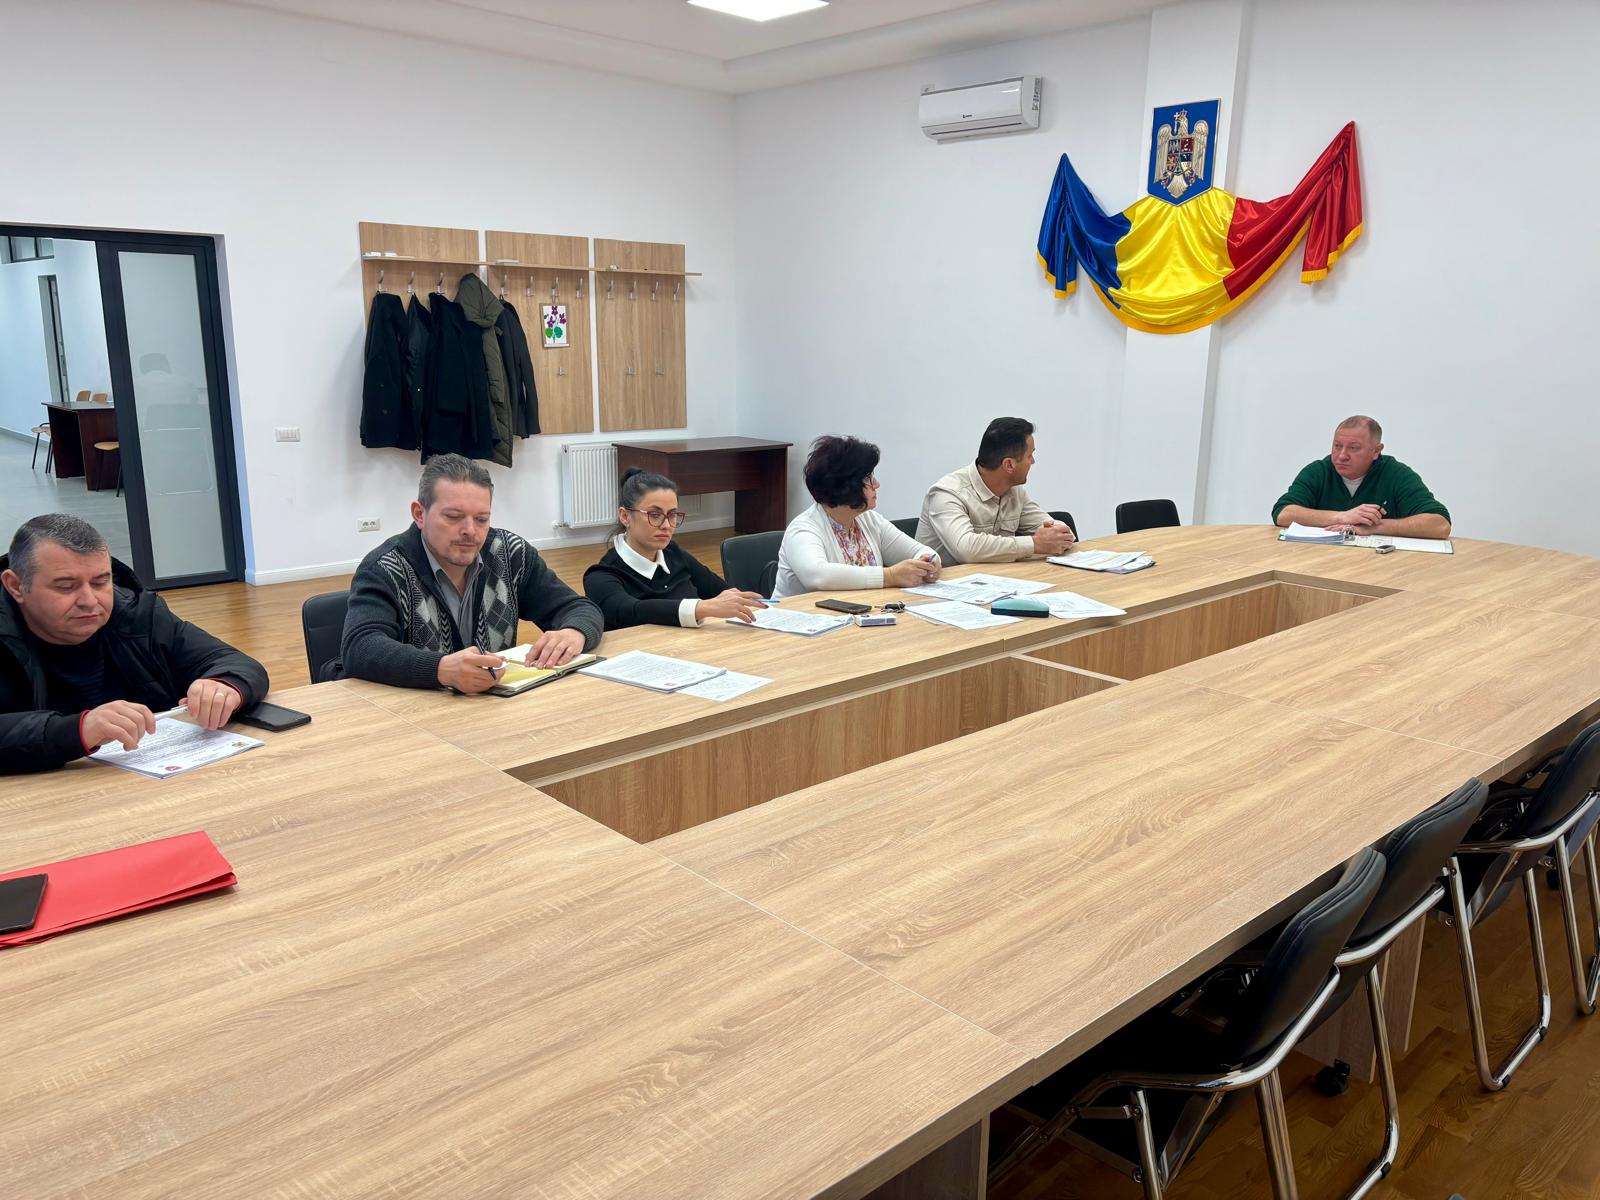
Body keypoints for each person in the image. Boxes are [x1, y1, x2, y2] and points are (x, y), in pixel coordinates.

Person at [0, 513, 269, 774]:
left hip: (160, 783)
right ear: (15, 586)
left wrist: (224, 686)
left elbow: (236, 663)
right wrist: (78, 730)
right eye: (66, 587)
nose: (89, 601)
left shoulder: (137, 614)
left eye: (100, 582)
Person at [340, 454, 603, 693]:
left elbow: (579, 608)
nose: (470, 530)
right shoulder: (385, 568)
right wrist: (441, 669)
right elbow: (361, 647)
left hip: (495, 711)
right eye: (454, 517)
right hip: (414, 716)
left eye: (481, 519)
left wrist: (574, 632)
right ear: (419, 514)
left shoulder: (510, 554)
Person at [583, 468, 763, 630]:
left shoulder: (674, 553)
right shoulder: (600, 576)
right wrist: (702, 607)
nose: (666, 525)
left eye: (672, 515)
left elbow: (722, 593)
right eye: (655, 515)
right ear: (625, 516)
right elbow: (631, 611)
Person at [772, 435, 942, 600]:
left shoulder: (870, 520)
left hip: (859, 613)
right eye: (868, 478)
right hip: (797, 617)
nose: (877, 484)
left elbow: (921, 551)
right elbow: (818, 577)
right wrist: (890, 576)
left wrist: (928, 563)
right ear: (845, 485)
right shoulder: (803, 529)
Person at [916, 417, 1076, 564]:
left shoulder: (1014, 491)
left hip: (997, 580)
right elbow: (966, 550)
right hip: (947, 583)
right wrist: (1035, 544)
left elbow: (1056, 529)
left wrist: (1058, 534)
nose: (1033, 462)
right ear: (1009, 465)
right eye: (1029, 456)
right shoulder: (947, 493)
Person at [1272, 416, 1452, 538]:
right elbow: (1283, 513)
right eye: (1337, 446)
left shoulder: (1396, 474)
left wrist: (1375, 527)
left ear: (1376, 451)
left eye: (1354, 448)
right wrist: (1342, 517)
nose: (1342, 455)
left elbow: (1440, 524)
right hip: (1320, 561)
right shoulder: (1319, 471)